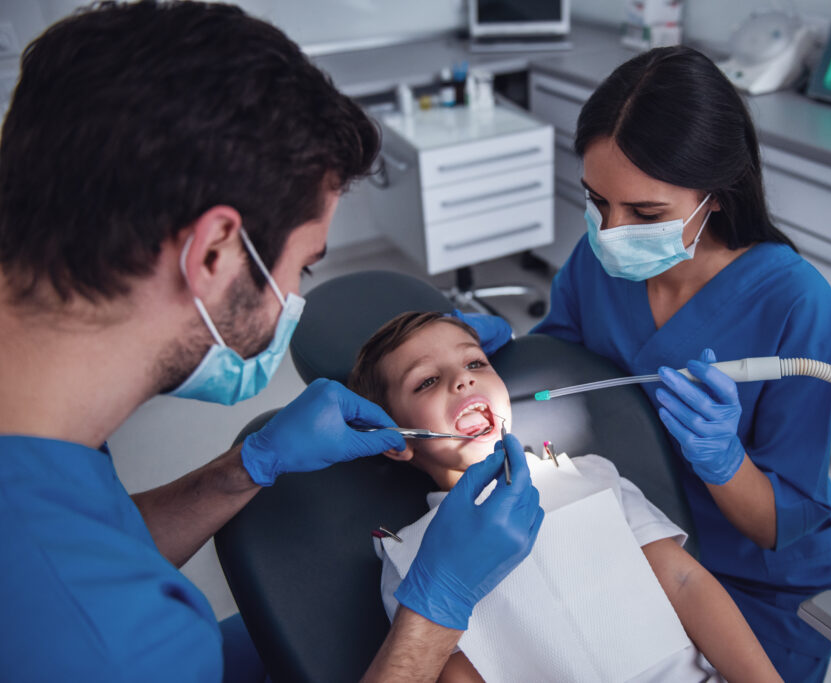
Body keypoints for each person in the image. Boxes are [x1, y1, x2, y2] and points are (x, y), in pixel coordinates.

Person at [0, 3, 540, 681]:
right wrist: (437, 607)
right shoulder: (110, 645)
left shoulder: (36, 425)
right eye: (304, 264)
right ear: (218, 253)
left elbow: (91, 537)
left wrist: (246, 464)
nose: (299, 294)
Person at [511, 47, 831, 681]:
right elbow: (554, 363)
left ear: (718, 196)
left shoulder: (795, 305)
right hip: (638, 540)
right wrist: (480, 355)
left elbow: (779, 524)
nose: (611, 231)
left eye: (645, 215)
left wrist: (722, 459)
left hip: (759, 577)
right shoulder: (598, 261)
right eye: (597, 202)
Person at [346, 311, 782, 683]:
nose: (462, 380)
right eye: (426, 381)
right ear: (396, 440)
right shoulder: (410, 557)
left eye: (475, 362)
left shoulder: (591, 475)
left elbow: (686, 583)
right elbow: (452, 668)